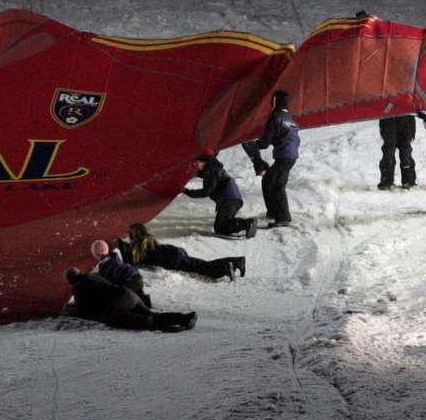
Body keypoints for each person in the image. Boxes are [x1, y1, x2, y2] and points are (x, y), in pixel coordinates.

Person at [62, 267, 196, 332]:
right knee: (151, 314)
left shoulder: (78, 287)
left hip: (119, 299)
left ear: (70, 281)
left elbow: (83, 309)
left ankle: (148, 323)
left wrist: (69, 310)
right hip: (129, 293)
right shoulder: (94, 276)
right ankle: (184, 318)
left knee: (109, 318)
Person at [247, 90, 299, 227]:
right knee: (268, 180)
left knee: (277, 185)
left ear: (274, 101)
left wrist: (257, 144)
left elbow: (266, 139)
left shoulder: (276, 116)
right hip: (291, 155)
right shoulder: (290, 118)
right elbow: (294, 139)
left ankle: (283, 218)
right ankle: (273, 212)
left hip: (284, 156)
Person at [118, 224, 243, 282]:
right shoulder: (147, 239)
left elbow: (131, 259)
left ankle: (226, 268)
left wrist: (119, 244)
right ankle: (236, 261)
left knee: (202, 269)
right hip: (174, 252)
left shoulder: (139, 246)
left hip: (173, 259)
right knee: (203, 264)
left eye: (130, 234)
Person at [183, 152, 258, 238]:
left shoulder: (212, 171)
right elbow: (202, 175)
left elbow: (206, 191)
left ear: (204, 162)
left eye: (198, 162)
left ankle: (247, 223)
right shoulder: (213, 169)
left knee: (220, 227)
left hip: (229, 201)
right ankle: (247, 223)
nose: (197, 165)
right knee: (224, 223)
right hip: (232, 200)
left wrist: (187, 192)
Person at [91, 239, 152, 307]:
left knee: (119, 294)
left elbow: (109, 282)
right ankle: (143, 298)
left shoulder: (105, 267)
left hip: (130, 280)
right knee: (133, 288)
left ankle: (139, 304)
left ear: (97, 255)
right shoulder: (114, 257)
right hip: (136, 276)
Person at [377, 115, 416, 189]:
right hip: (388, 117)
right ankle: (386, 181)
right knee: (389, 151)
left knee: (405, 151)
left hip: (405, 117)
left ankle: (408, 181)